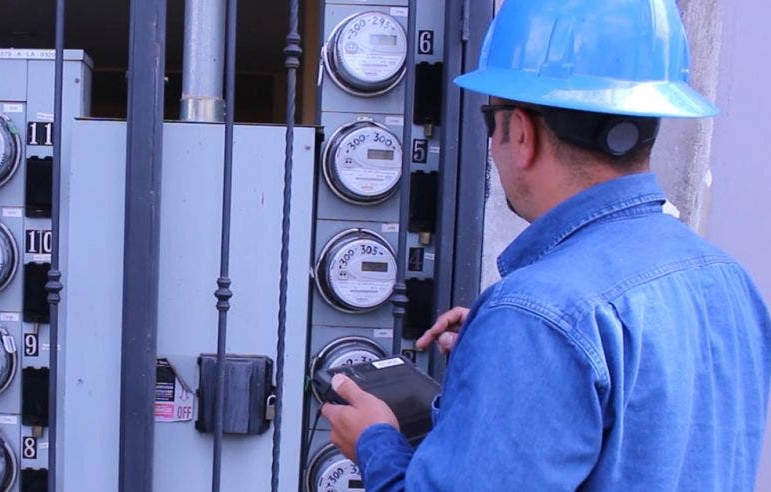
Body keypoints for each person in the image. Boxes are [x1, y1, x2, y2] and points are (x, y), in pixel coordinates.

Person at [321, 0, 771, 489]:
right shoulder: (726, 279)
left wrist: (376, 442)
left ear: (520, 131)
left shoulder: (539, 316)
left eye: (490, 121)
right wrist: (503, 359)